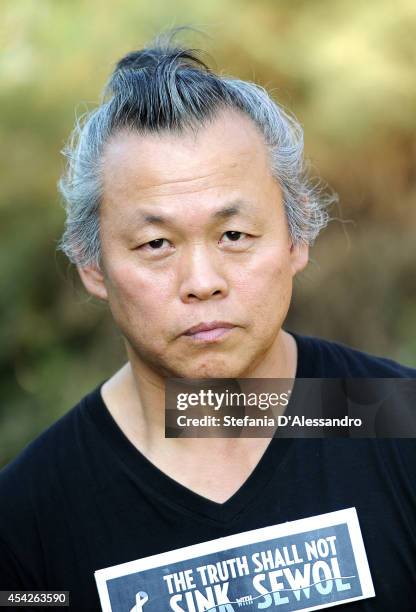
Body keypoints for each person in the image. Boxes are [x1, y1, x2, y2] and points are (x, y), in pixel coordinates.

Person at [0, 33, 415, 612]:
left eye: (234, 235)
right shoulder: (29, 520)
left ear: (298, 237)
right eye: (155, 243)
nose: (202, 280)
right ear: (92, 264)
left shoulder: (394, 420)